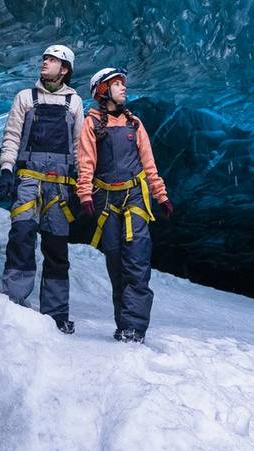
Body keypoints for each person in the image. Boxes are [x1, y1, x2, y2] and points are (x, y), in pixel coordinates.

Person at [76, 68, 174, 343]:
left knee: (137, 263)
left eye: (123, 84)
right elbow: (85, 163)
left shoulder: (135, 124)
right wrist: (85, 195)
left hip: (135, 200)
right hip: (106, 201)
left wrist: (161, 195)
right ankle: (124, 326)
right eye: (117, 84)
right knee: (116, 263)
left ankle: (135, 328)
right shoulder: (91, 124)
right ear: (102, 91)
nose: (123, 88)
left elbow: (149, 164)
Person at [0, 45, 84, 334]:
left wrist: (83, 188)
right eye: (45, 58)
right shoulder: (25, 97)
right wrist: (7, 170)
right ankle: (14, 302)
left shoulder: (75, 102)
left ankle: (56, 314)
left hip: (60, 188)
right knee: (21, 238)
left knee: (56, 249)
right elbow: (11, 137)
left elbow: (80, 148)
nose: (45, 63)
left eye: (52, 60)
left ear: (65, 69)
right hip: (28, 182)